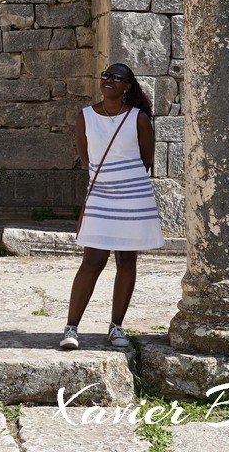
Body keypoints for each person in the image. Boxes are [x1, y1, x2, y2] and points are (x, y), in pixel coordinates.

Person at [60, 62, 163, 351]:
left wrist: (124, 181)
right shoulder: (85, 117)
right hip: (101, 197)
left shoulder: (138, 119)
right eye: (104, 74)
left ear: (127, 86)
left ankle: (116, 327)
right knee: (92, 261)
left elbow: (146, 159)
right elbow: (86, 157)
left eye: (116, 77)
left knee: (126, 261)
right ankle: (71, 327)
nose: (108, 79)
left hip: (132, 197)